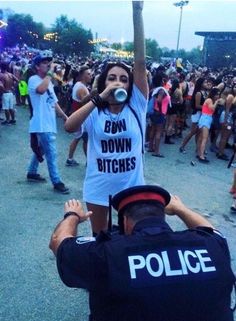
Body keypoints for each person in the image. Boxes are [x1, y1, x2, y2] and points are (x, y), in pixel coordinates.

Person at [49, 185, 236, 321]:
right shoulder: (210, 245)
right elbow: (211, 230)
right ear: (162, 216)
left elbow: (58, 242)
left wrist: (72, 216)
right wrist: (181, 209)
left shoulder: (109, 253)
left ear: (126, 222)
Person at [64, 1, 148, 235]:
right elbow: (70, 126)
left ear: (130, 85)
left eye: (123, 78)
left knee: (130, 240)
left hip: (131, 189)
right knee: (100, 239)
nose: (118, 82)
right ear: (104, 82)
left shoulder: (136, 106)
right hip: (98, 188)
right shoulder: (95, 109)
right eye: (112, 78)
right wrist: (99, 97)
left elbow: (140, 63)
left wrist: (137, 11)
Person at [26, 51, 69, 194]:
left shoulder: (48, 81)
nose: (48, 65)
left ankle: (32, 172)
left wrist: (64, 117)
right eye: (45, 63)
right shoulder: (33, 79)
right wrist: (51, 73)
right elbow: (40, 90)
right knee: (51, 152)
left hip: (48, 122)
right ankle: (57, 181)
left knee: (42, 149)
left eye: (49, 63)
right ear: (37, 66)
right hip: (41, 123)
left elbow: (54, 102)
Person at [65, 65, 93, 166]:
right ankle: (88, 161)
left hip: (79, 117)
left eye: (90, 74)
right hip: (81, 118)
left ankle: (72, 158)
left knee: (81, 138)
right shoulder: (81, 87)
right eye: (88, 74)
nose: (90, 76)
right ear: (82, 76)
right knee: (83, 139)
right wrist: (91, 95)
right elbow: (83, 102)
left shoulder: (79, 84)